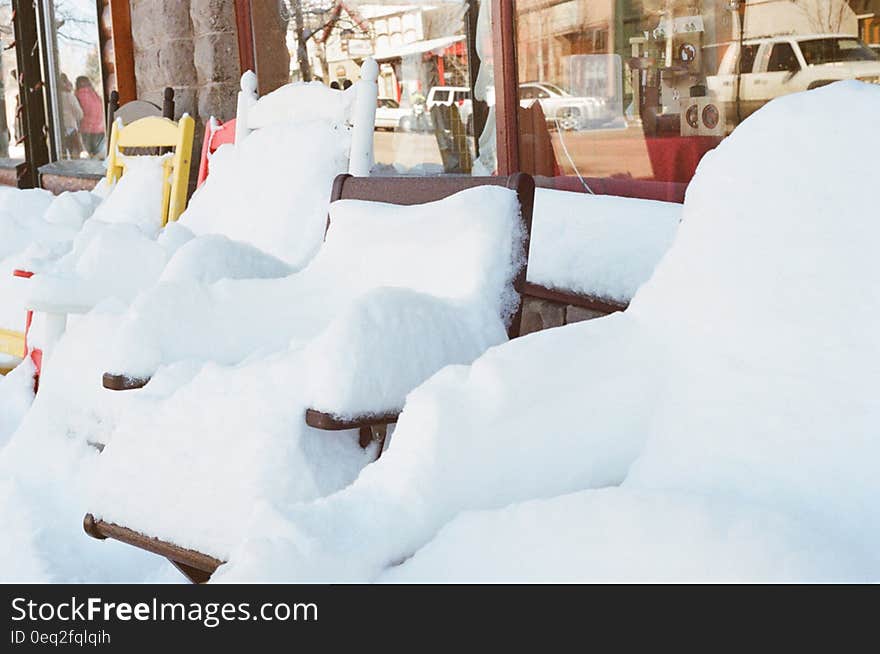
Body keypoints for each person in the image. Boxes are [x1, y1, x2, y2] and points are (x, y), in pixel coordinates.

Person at [75, 76, 105, 157]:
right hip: (100, 129)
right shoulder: (95, 95)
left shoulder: (78, 95)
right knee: (98, 154)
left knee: (88, 154)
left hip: (87, 129)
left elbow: (78, 114)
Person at [59, 73, 83, 158]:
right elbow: (79, 114)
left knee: (62, 156)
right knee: (75, 155)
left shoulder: (54, 97)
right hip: (71, 129)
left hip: (59, 131)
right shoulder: (69, 96)